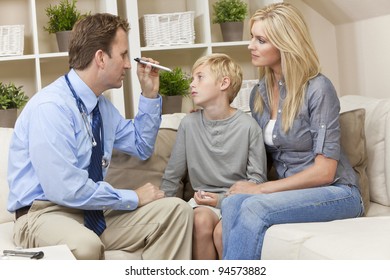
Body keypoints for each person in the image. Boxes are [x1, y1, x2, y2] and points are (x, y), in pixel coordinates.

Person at [7, 13, 193, 260]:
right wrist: (132, 197)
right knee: (86, 245)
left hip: (91, 211)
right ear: (101, 58)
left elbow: (142, 146)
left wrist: (149, 94)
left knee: (176, 212)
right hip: (44, 215)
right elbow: (66, 190)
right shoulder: (51, 107)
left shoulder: (102, 108)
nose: (128, 64)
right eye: (124, 55)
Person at [221, 2, 364, 260]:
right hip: (293, 193)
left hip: (338, 192)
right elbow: (256, 153)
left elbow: (325, 171)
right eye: (252, 37)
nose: (250, 45)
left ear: (284, 43)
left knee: (255, 208)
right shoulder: (259, 93)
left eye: (260, 40)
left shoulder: (318, 89)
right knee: (231, 202)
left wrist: (262, 190)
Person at [161, 53, 267, 260]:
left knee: (222, 234)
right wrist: (163, 211)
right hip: (202, 204)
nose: (192, 84)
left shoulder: (249, 127)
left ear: (224, 83)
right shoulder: (188, 124)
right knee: (200, 221)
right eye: (193, 79)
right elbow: (172, 175)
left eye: (200, 78)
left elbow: (257, 181)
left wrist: (219, 200)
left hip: (238, 202)